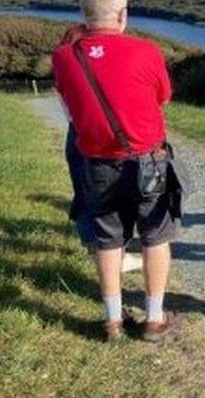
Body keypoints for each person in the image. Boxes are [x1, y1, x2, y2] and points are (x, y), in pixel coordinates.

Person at [52, 0, 179, 342]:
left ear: (84, 16)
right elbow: (164, 97)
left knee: (108, 241)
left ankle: (112, 321)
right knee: (155, 236)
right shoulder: (146, 50)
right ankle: (154, 319)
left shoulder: (64, 57)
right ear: (122, 15)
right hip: (148, 160)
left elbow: (69, 100)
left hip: (96, 163)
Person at [58, 25, 143, 273]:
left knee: (84, 194)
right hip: (96, 135)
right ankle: (113, 254)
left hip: (76, 133)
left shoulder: (67, 72)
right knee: (111, 195)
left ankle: (95, 248)